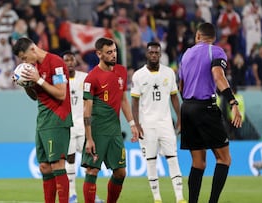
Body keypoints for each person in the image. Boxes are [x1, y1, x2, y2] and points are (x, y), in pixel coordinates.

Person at [178, 22, 243, 203]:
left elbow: (181, 87)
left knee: (198, 163)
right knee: (224, 159)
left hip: (187, 108)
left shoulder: (186, 55)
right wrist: (232, 101)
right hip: (205, 107)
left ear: (198, 36)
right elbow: (218, 76)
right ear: (212, 38)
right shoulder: (215, 51)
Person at [12, 37, 72, 203]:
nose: (25, 62)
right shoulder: (34, 67)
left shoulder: (56, 63)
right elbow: (35, 97)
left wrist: (38, 79)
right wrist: (26, 84)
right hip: (43, 120)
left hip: (57, 118)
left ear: (32, 49)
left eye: (24, 58)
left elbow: (61, 94)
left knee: (57, 165)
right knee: (45, 167)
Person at [81, 37, 140, 203]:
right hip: (98, 130)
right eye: (109, 52)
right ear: (99, 54)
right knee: (92, 171)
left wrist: (132, 124)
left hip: (114, 130)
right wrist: (89, 138)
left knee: (120, 172)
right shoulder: (92, 78)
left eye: (114, 51)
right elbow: (87, 110)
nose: (114, 55)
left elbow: (123, 100)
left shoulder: (121, 71)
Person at [130, 41, 186, 203]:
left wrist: (180, 118)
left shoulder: (168, 73)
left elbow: (174, 97)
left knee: (172, 157)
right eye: (151, 52)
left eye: (156, 53)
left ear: (160, 55)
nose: (154, 55)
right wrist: (137, 124)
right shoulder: (138, 75)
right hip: (147, 125)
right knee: (151, 160)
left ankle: (180, 197)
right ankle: (157, 197)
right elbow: (134, 102)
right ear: (147, 54)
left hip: (165, 123)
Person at [62, 51, 103, 203]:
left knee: (89, 161)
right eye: (66, 60)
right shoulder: (59, 80)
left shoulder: (84, 77)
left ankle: (92, 194)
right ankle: (72, 194)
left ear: (75, 61)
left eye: (71, 60)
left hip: (84, 126)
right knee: (70, 159)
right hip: (68, 126)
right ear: (62, 63)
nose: (69, 63)